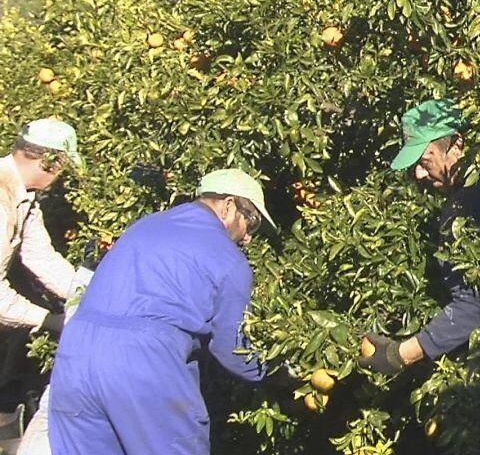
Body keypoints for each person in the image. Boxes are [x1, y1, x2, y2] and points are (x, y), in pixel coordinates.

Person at [47, 169, 280, 454]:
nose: (248, 239)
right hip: (144, 363)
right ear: (229, 206)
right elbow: (233, 350)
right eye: (252, 223)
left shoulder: (143, 226)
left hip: (75, 355)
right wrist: (277, 373)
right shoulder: (228, 259)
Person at [356, 98, 480, 374]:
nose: (418, 173)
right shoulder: (463, 198)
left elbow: (476, 303)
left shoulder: (476, 203)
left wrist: (399, 355)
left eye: (424, 161)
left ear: (456, 144)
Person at [0, 119, 91, 455]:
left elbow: (41, 258)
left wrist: (90, 293)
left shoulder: (23, 198)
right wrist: (50, 320)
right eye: (62, 167)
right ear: (50, 161)